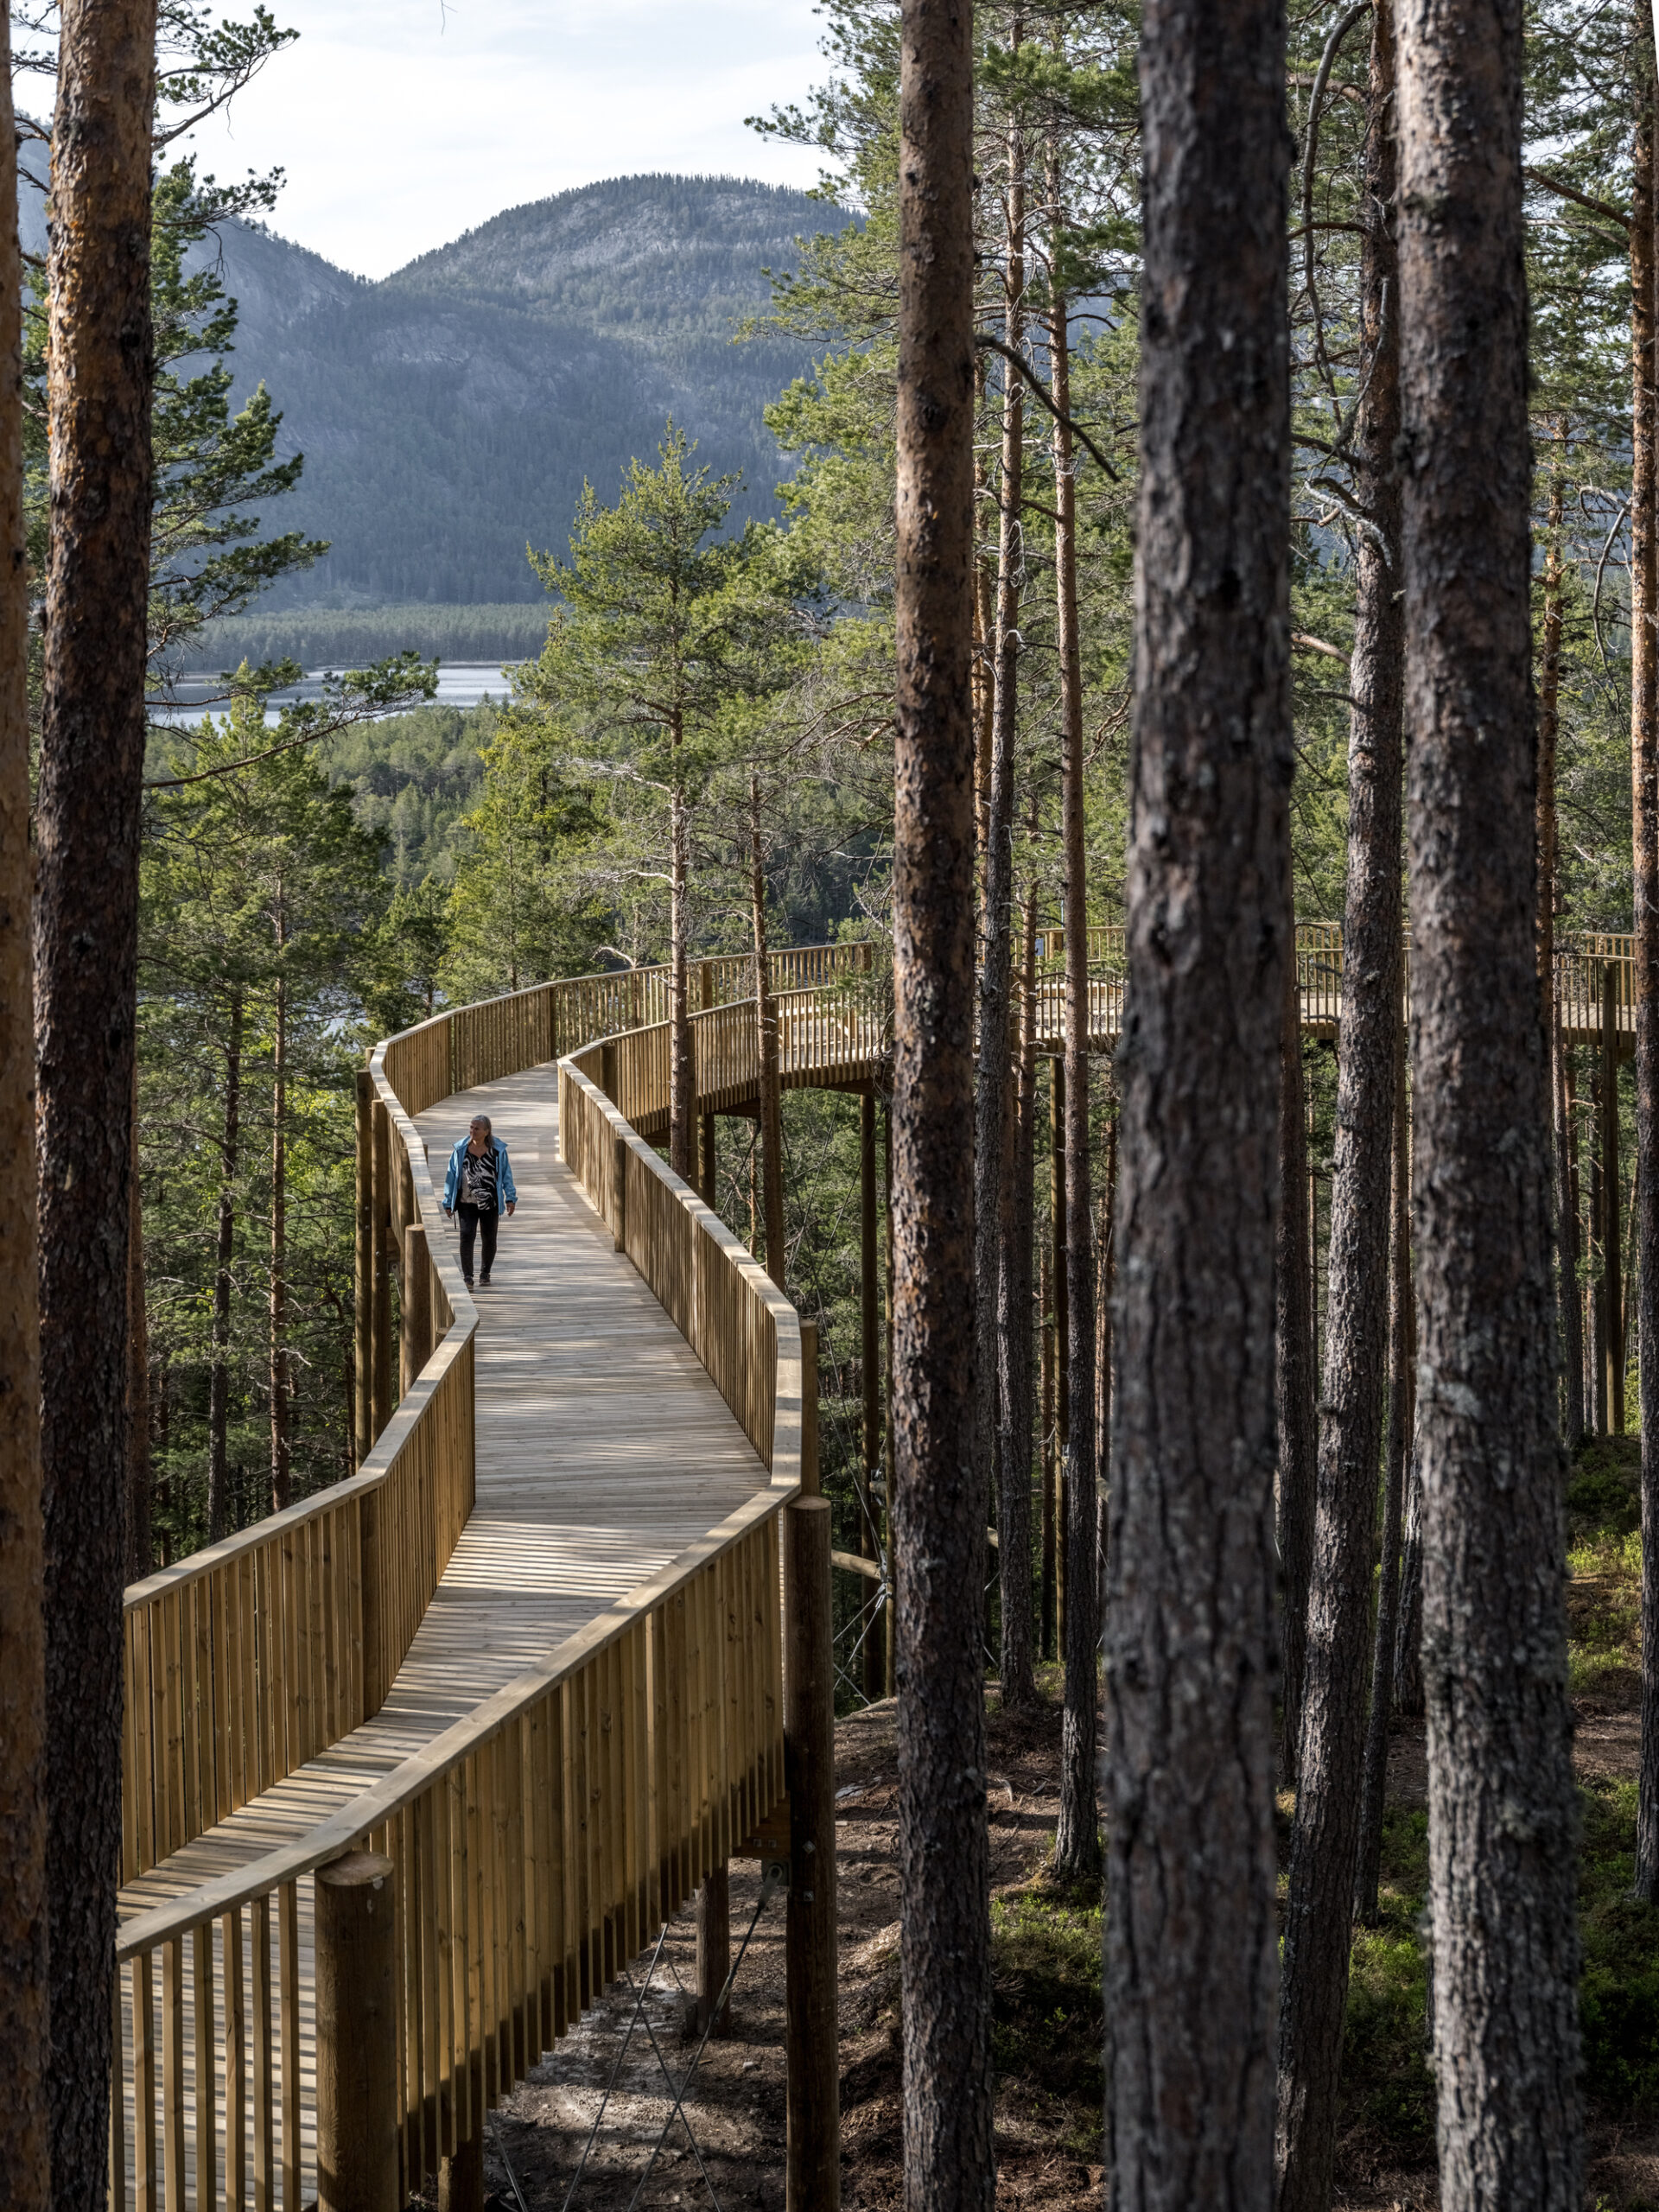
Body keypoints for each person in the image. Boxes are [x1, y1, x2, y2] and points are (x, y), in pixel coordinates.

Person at [441, 1113, 517, 1288]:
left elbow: (506, 1175)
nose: (472, 1131)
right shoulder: (460, 1150)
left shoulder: (498, 1151)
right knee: (466, 1236)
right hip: (466, 1201)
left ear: (486, 1131)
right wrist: (447, 1202)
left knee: (489, 1238)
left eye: (476, 1128)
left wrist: (510, 1198)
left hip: (491, 1202)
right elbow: (451, 1176)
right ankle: (467, 1276)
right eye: (471, 1127)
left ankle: (485, 1273)